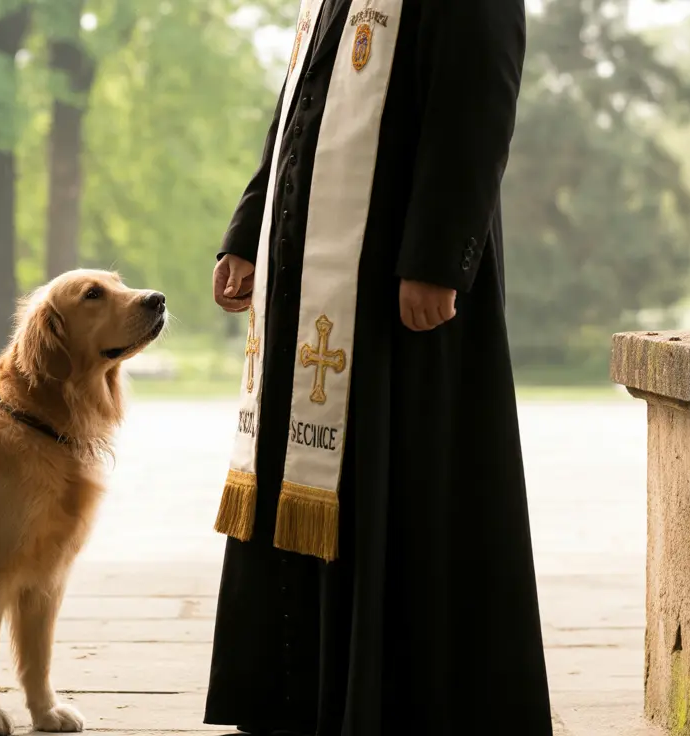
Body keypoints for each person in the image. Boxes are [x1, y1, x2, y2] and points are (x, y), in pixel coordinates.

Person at [206, 0, 551, 734]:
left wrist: (435, 258)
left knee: (396, 488)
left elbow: (479, 102)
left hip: (396, 282)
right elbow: (300, 107)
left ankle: (386, 708)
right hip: (309, 286)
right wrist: (246, 230)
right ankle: (301, 703)